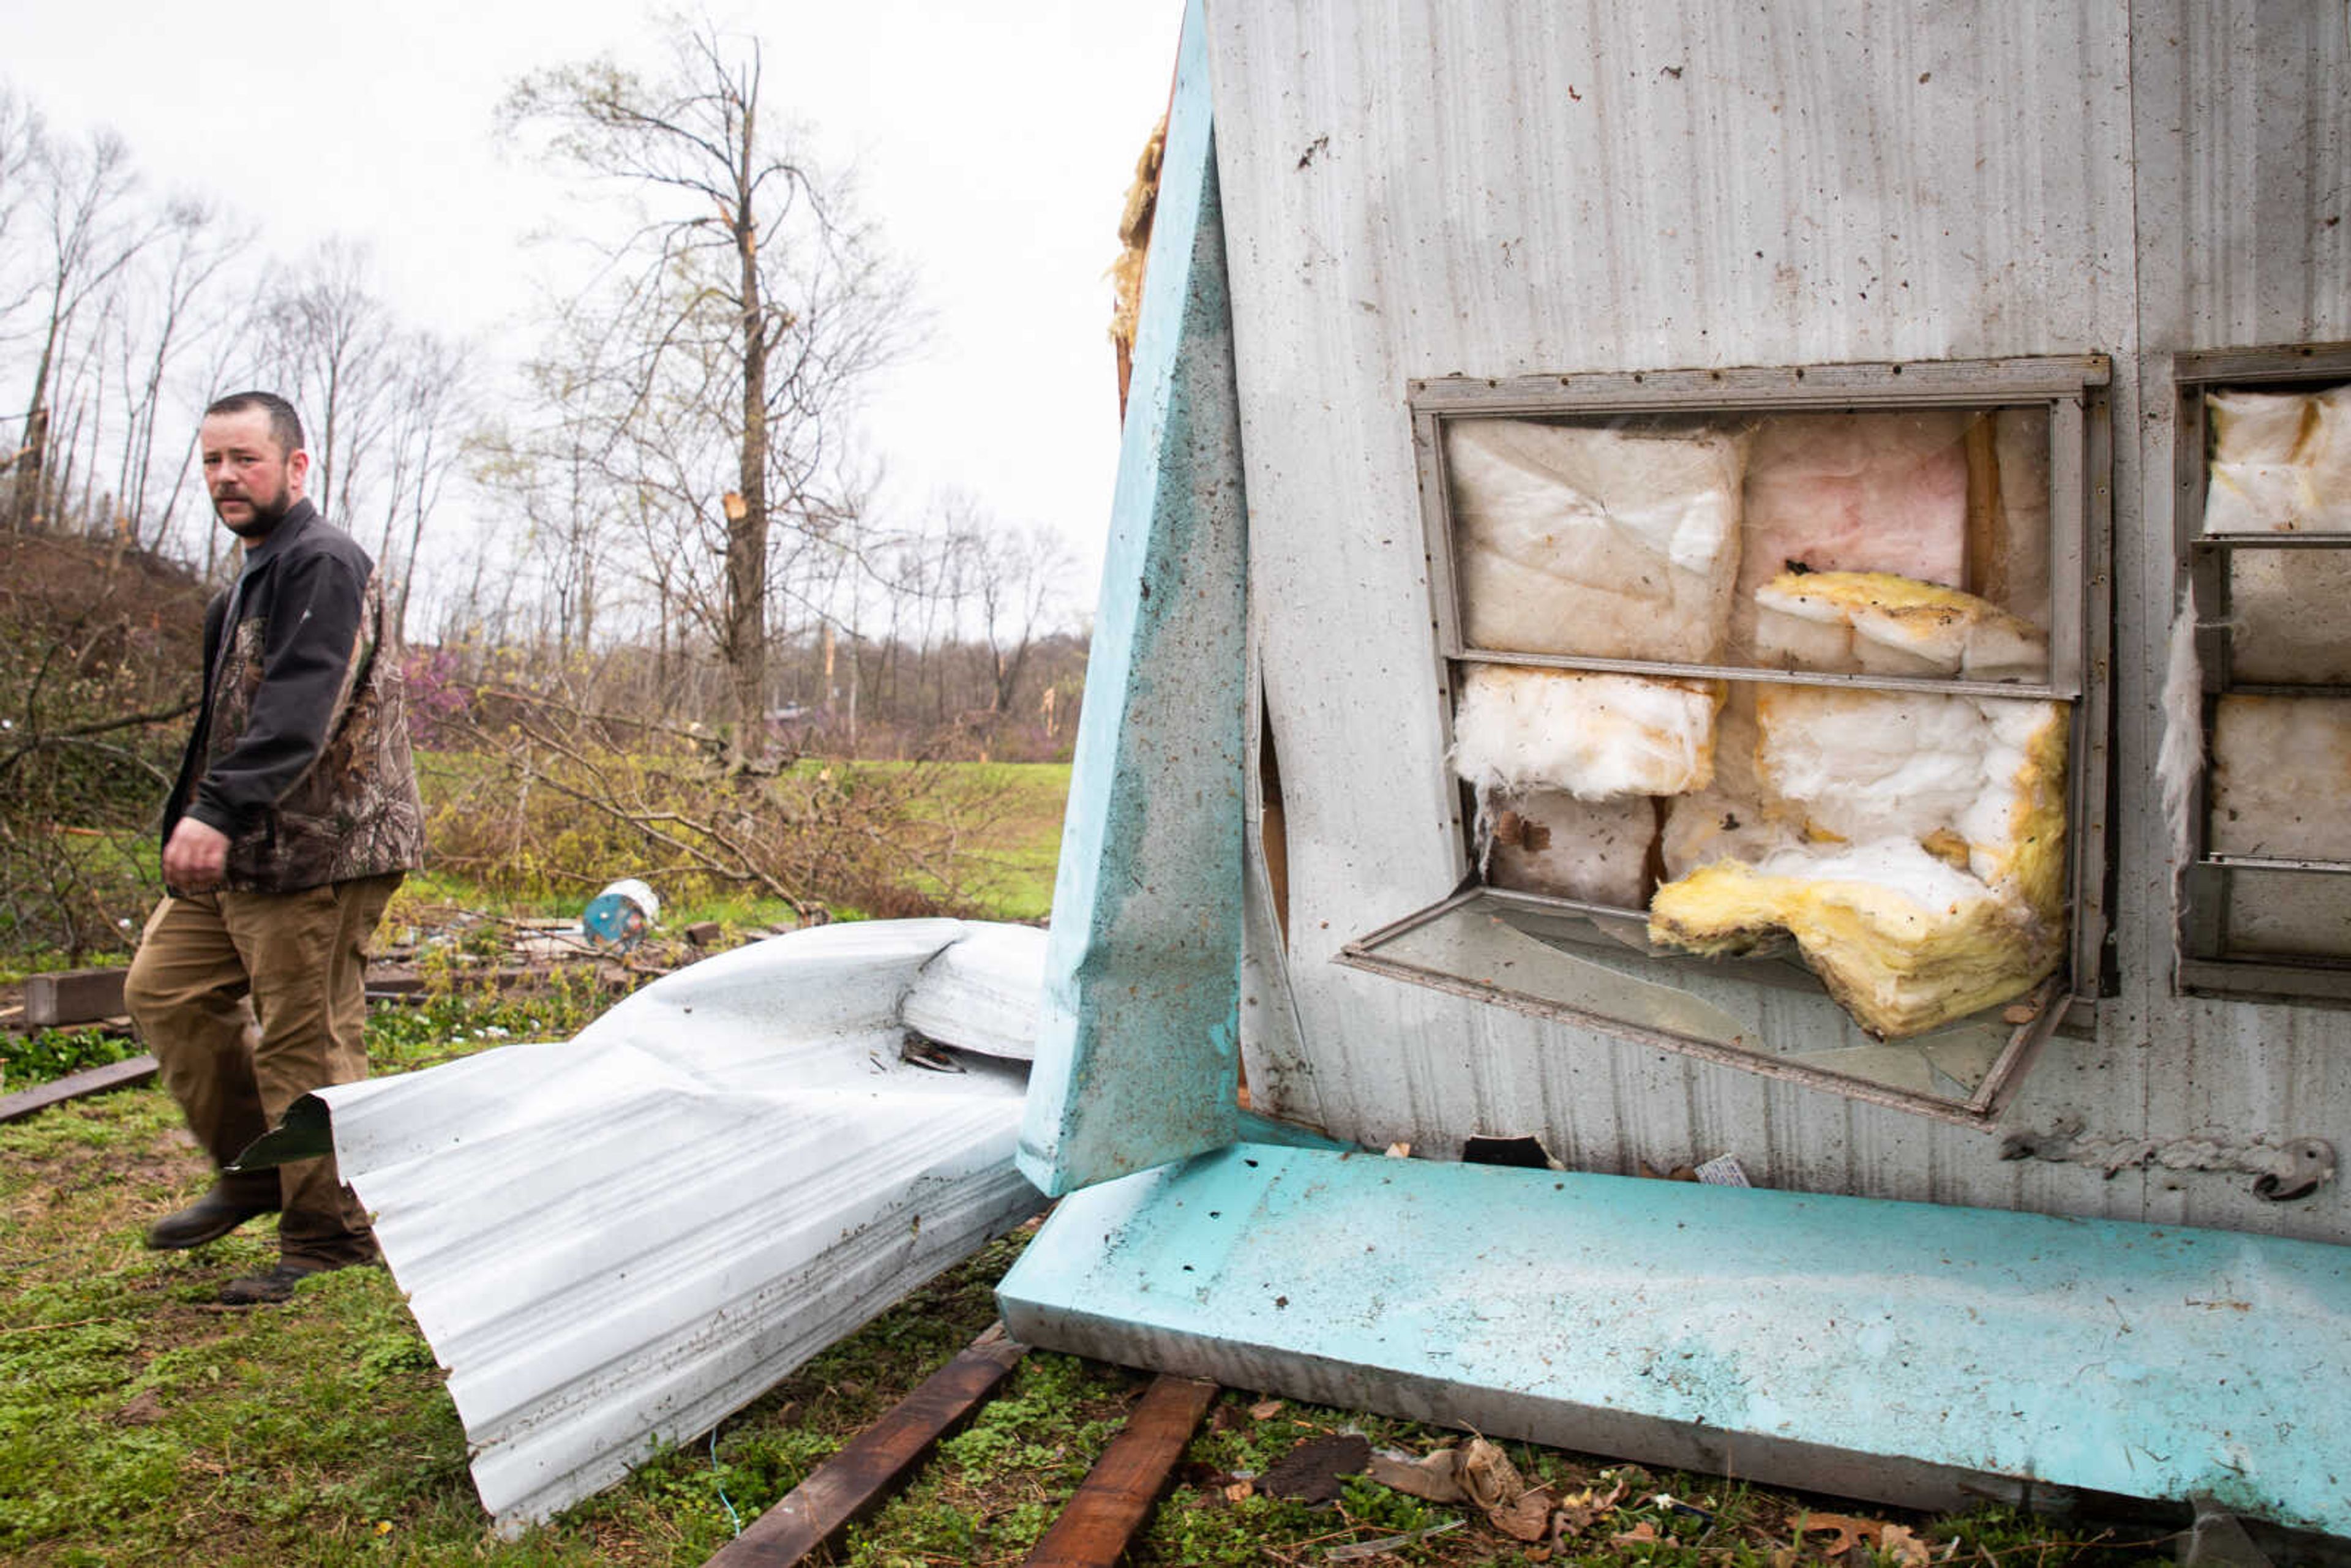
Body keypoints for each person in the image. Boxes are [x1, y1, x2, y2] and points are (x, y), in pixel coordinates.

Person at [124, 391, 424, 1307]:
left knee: (307, 1040)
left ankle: (327, 1235)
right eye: (211, 460)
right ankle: (258, 1170)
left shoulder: (325, 562)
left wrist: (214, 811)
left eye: (244, 458)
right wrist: (198, 815)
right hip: (247, 845)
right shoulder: (246, 583)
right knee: (162, 988)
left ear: (296, 466)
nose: (224, 476)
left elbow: (300, 710)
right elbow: (226, 723)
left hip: (323, 847)